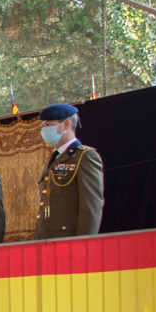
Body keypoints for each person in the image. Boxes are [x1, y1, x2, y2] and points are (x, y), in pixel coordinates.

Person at [31, 103, 103, 241]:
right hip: (46, 237)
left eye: (48, 124)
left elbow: (90, 206)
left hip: (68, 238)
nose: (44, 129)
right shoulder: (53, 158)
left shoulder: (84, 157)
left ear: (66, 125)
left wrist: (84, 242)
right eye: (43, 125)